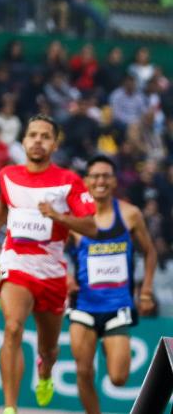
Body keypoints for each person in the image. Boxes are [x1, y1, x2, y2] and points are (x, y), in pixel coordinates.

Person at [0, 114, 97, 414]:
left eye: (45, 136)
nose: (38, 141)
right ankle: (10, 408)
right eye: (32, 135)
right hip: (14, 261)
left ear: (54, 144)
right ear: (24, 140)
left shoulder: (69, 182)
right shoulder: (8, 175)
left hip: (52, 271)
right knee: (13, 327)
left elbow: (91, 226)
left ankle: (45, 370)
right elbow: (5, 203)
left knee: (49, 348)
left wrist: (59, 216)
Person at [68, 155, 157, 414]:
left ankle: (110, 343)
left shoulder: (130, 214)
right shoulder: (74, 219)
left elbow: (150, 252)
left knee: (119, 377)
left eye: (106, 176)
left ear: (114, 181)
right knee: (83, 369)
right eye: (95, 176)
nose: (100, 181)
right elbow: (52, 251)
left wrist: (147, 290)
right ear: (86, 181)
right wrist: (65, 278)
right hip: (83, 305)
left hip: (118, 306)